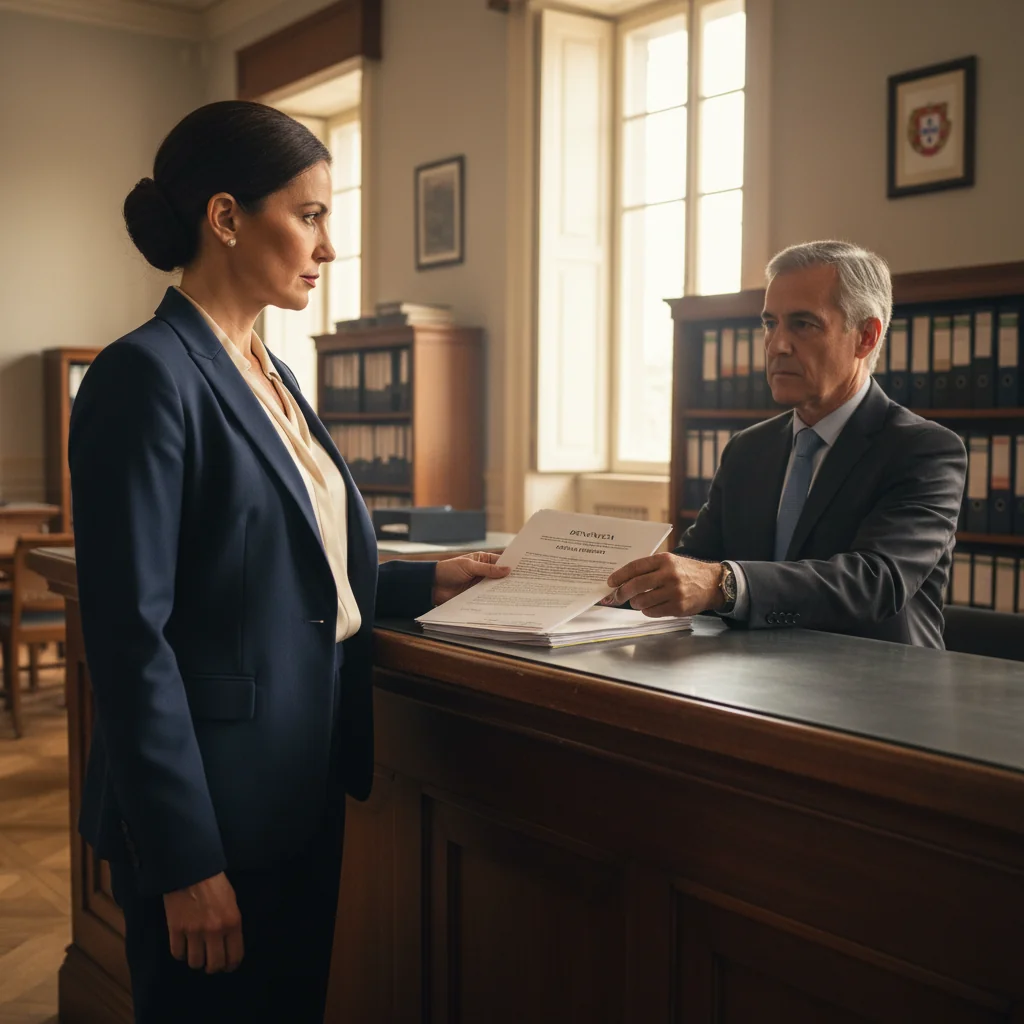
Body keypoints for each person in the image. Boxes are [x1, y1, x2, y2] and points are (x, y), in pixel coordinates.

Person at [68, 100, 508, 1023]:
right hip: (208, 818)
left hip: (297, 790)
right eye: (309, 215)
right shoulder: (145, 375)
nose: (329, 245)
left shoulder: (270, 370)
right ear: (226, 218)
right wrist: (186, 860)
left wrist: (427, 580)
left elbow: (282, 572)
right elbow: (128, 640)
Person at [606, 240, 967, 648]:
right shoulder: (747, 449)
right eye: (769, 324)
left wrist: (725, 584)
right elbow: (695, 566)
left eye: (803, 324)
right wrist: (581, 582)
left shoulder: (924, 450)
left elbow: (875, 581)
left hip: (874, 694)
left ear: (865, 336)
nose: (777, 344)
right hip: (753, 684)